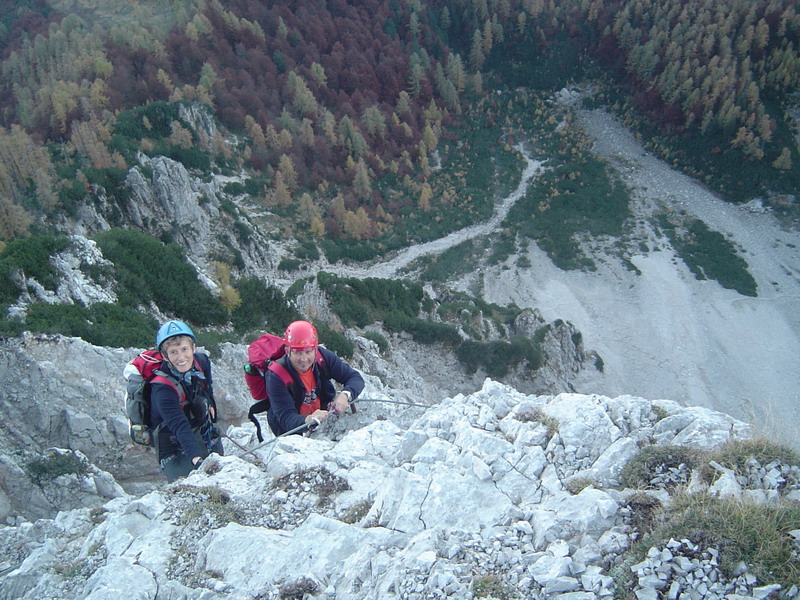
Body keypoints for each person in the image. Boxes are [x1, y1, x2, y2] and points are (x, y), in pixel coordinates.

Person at [150, 320, 223, 482]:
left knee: (219, 472)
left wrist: (209, 404)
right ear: (165, 356)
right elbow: (179, 425)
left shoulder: (201, 361)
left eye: (184, 349)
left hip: (199, 428)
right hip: (171, 442)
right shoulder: (162, 388)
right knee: (191, 482)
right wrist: (196, 459)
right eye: (173, 352)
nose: (181, 357)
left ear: (193, 348)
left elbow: (207, 387)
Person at [266, 320, 365, 437]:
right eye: (297, 352)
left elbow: (354, 377)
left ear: (315, 349)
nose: (304, 359)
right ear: (288, 351)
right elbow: (286, 417)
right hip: (292, 432)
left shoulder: (322, 358)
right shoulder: (276, 375)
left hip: (323, 419)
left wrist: (345, 395)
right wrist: (309, 419)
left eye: (308, 352)